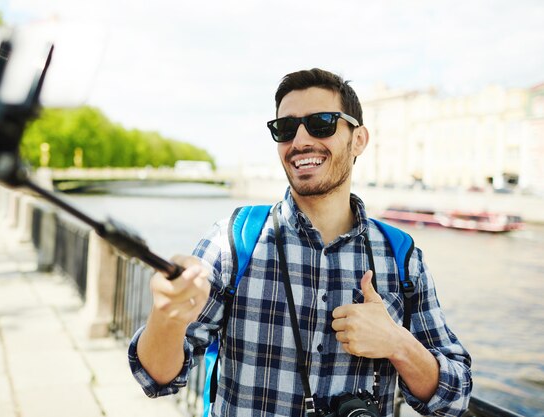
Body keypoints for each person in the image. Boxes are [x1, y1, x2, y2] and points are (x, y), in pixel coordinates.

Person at [128, 68, 472, 416]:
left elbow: (455, 399)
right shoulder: (234, 239)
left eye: (322, 122)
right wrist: (167, 315)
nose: (301, 140)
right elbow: (155, 379)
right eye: (286, 128)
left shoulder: (402, 257)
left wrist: (398, 344)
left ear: (359, 140)